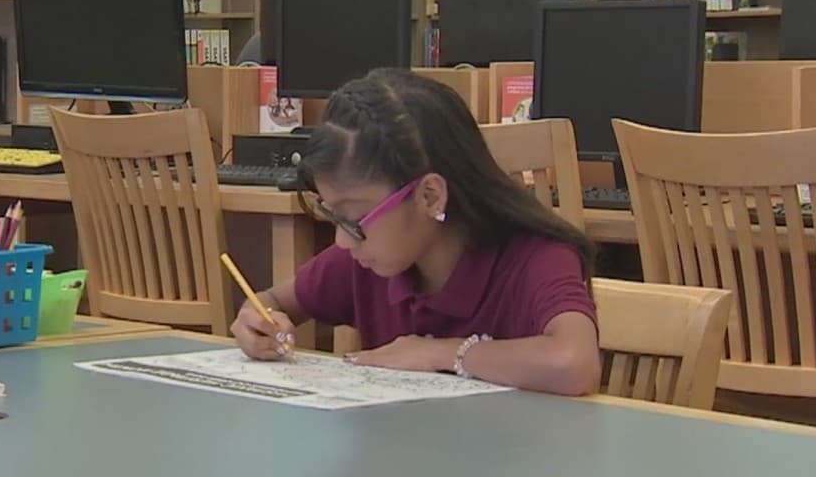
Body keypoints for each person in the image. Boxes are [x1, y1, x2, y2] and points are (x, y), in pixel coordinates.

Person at [230, 68, 600, 396]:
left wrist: (441, 353)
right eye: (333, 215)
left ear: (430, 196)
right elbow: (271, 301)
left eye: (356, 218)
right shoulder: (368, 259)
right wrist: (258, 322)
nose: (342, 240)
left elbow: (573, 363)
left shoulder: (536, 257)